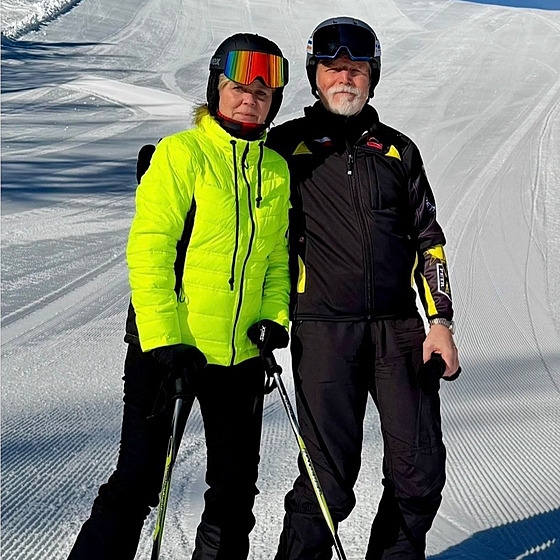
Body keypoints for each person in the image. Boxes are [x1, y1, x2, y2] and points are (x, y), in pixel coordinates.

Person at [67, 33, 291, 560]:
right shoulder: (180, 155)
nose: (250, 100)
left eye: (262, 92)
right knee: (137, 483)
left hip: (238, 356)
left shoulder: (276, 169)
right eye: (238, 88)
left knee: (234, 494)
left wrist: (272, 317)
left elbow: (278, 259)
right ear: (216, 90)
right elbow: (149, 252)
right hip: (168, 352)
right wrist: (166, 340)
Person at [266, 16, 460, 560]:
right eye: (332, 68)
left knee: (419, 474)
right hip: (322, 333)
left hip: (399, 331)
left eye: (356, 68)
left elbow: (427, 237)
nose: (344, 77)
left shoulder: (398, 150)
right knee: (326, 483)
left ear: (373, 77)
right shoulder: (284, 147)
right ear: (314, 76)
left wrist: (440, 322)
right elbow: (232, 195)